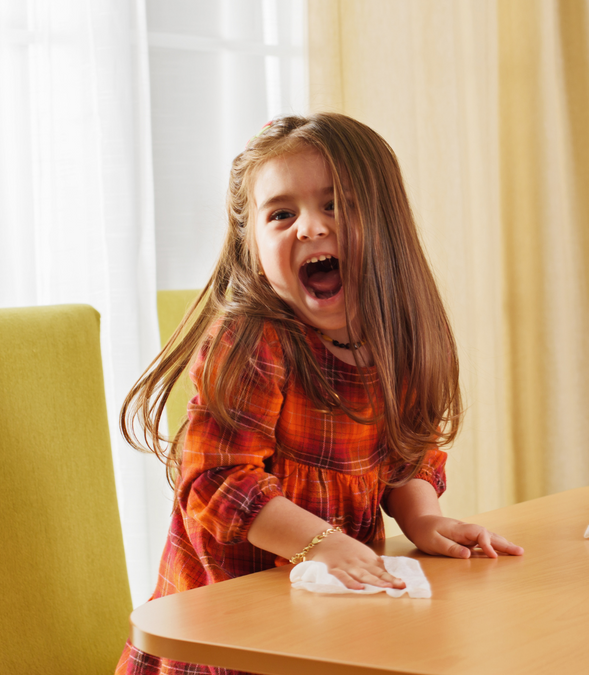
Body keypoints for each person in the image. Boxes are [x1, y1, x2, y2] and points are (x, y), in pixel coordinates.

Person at [116, 113, 523, 675]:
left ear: (388, 226)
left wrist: (424, 521)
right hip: (228, 637)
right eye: (282, 213)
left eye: (336, 205)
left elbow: (406, 457)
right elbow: (216, 481)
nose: (309, 226)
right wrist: (318, 542)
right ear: (250, 241)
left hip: (328, 624)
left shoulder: (395, 341)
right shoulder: (254, 340)